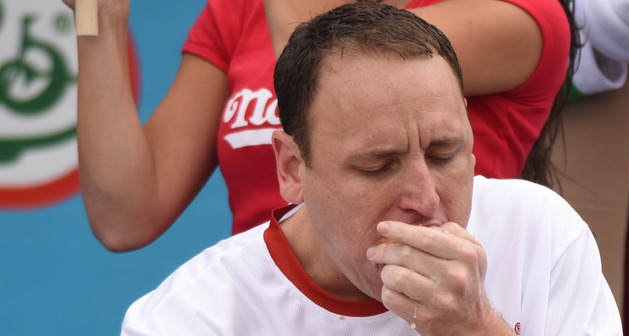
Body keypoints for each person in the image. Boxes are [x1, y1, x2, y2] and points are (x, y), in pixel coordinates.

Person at [104, 4, 629, 336]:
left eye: (445, 153)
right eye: (378, 165)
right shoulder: (184, 327)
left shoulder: (537, 234)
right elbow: (125, 212)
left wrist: (475, 335)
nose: (424, 197)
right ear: (293, 169)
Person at [64, 0, 573, 252]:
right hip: (271, 334)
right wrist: (98, 18)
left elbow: (325, 70)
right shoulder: (238, 11)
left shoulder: (519, 14)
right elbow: (126, 215)